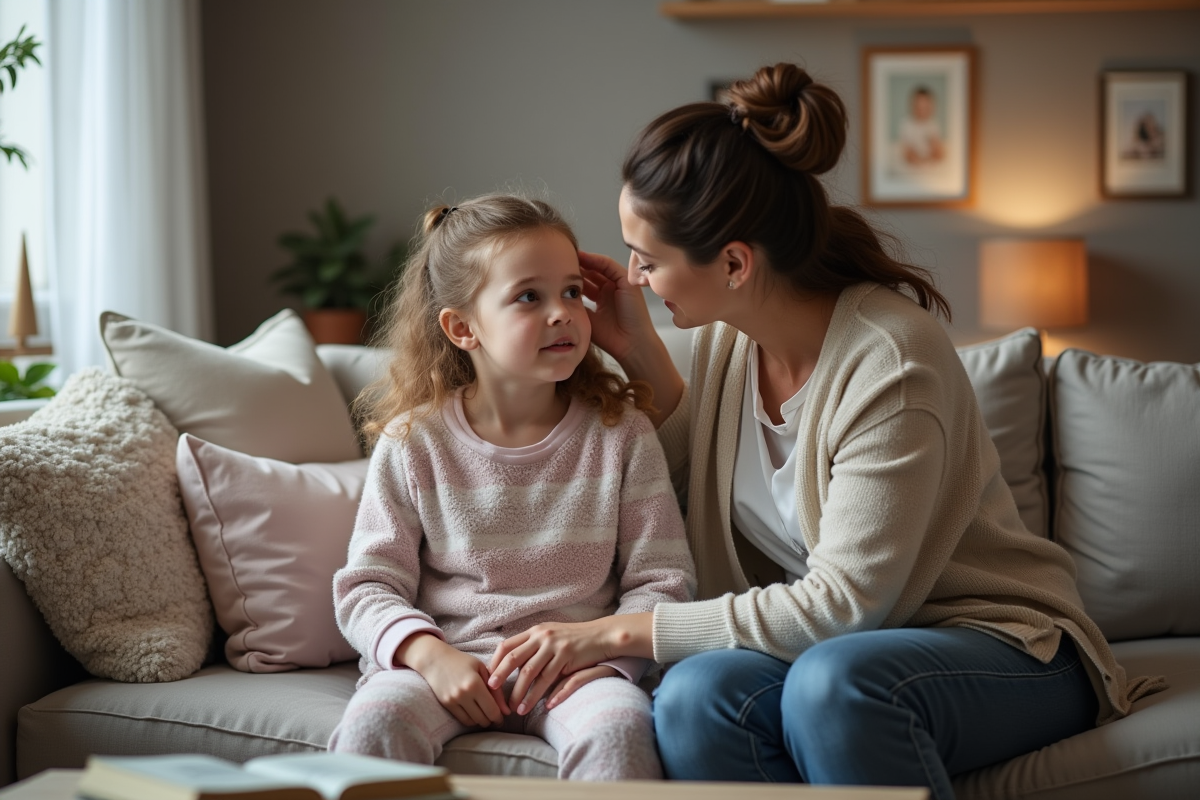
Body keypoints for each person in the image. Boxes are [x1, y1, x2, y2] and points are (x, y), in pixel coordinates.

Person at [486, 64, 1164, 799]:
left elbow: (844, 606)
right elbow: (677, 483)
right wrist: (639, 350)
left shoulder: (891, 362)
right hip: (843, 647)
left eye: (648, 259)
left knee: (833, 686)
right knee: (694, 698)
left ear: (735, 263)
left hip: (1002, 644)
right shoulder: (729, 338)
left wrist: (619, 632)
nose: (634, 276)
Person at [328, 195, 696, 781]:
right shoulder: (412, 443)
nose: (562, 313)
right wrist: (430, 657)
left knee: (619, 731)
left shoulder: (621, 434)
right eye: (530, 296)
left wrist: (611, 661)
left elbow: (664, 581)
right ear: (462, 327)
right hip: (446, 668)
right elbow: (367, 586)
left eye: (572, 291)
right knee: (375, 722)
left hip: (577, 670)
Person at [897, 85, 945, 166]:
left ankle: (926, 163)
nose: (922, 111)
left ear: (931, 108)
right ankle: (920, 163)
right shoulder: (907, 123)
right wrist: (915, 157)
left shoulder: (932, 124)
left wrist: (934, 149)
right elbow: (907, 148)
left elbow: (936, 143)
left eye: (926, 108)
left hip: (929, 156)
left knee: (941, 153)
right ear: (912, 106)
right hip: (913, 154)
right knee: (906, 154)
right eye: (919, 107)